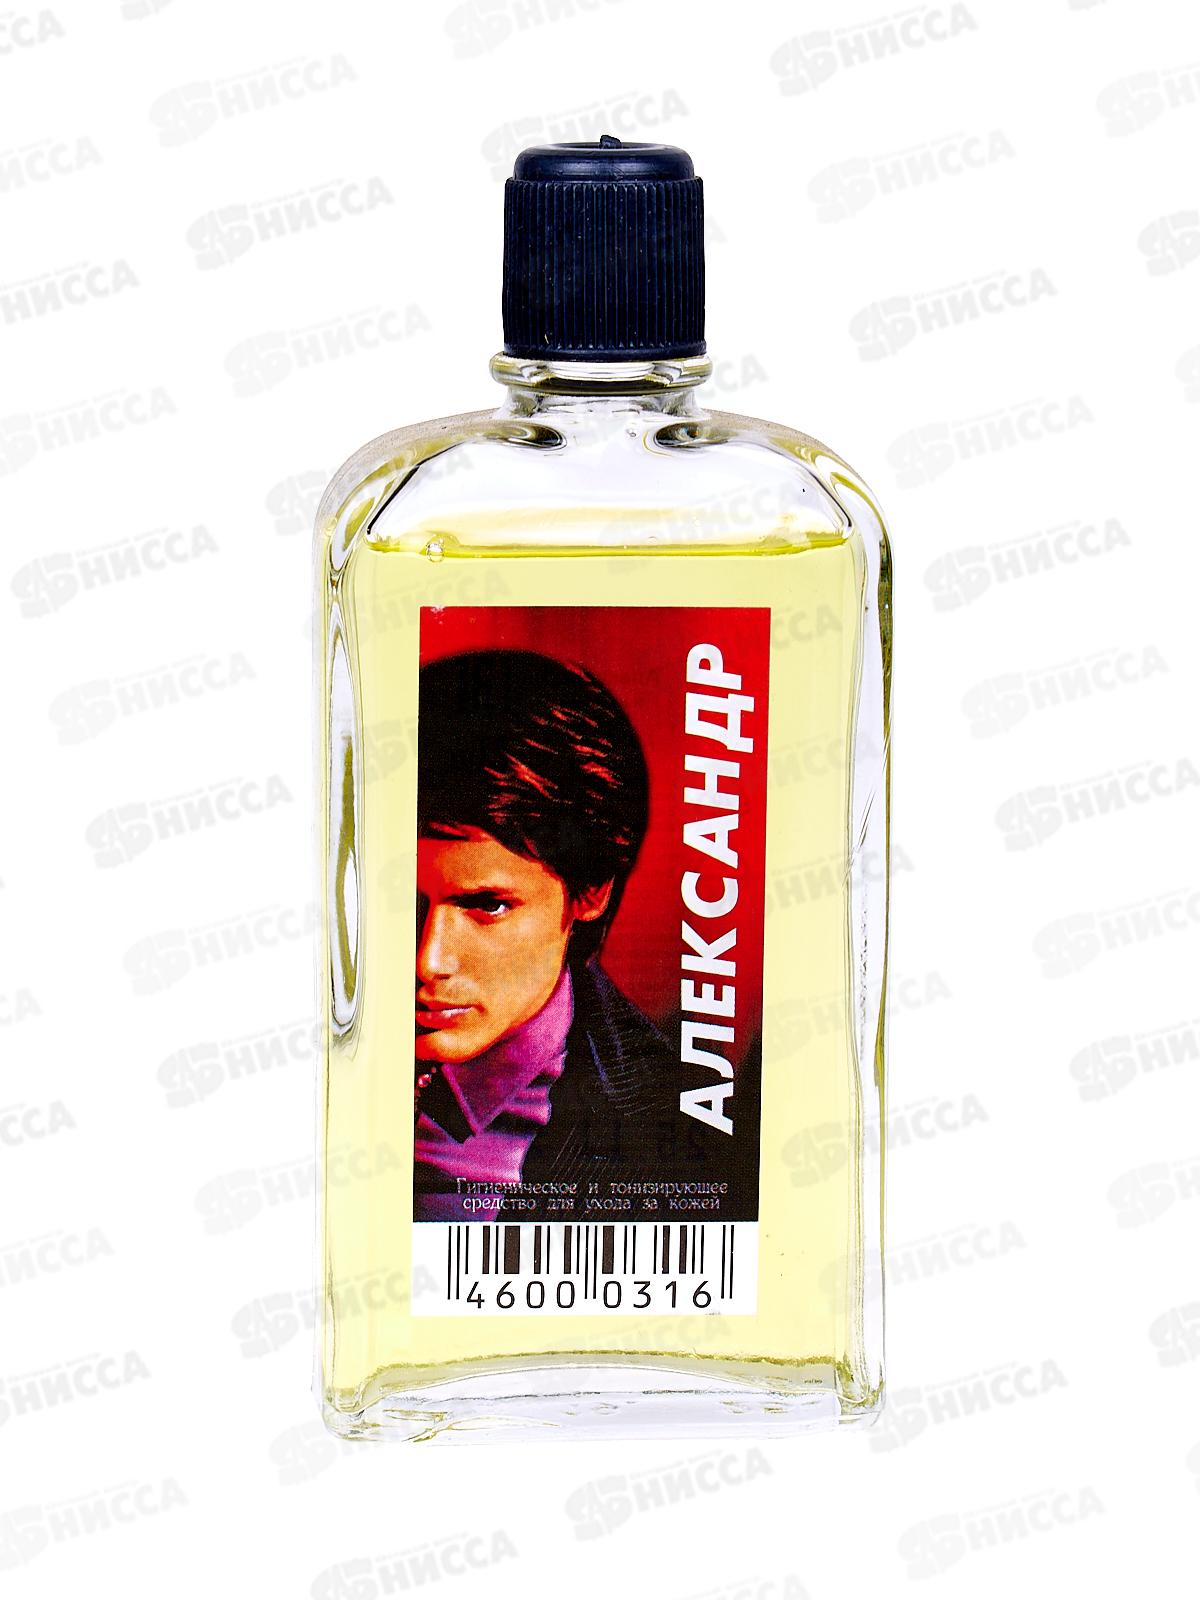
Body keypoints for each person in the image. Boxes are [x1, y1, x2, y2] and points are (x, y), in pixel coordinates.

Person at [414, 646, 713, 1223]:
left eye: (489, 906)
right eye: (405, 902)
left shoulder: (665, 1130)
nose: (429, 960)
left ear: (590, 892)